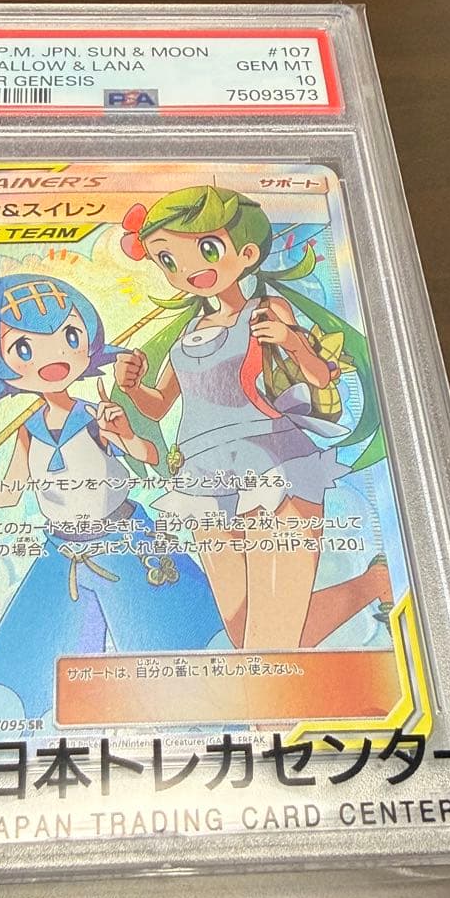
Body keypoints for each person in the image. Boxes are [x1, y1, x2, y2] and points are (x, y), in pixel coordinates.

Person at [0, 273, 226, 723]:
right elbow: (9, 495)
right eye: (24, 348)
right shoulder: (28, 433)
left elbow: (150, 456)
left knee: (181, 652)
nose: (53, 356)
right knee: (29, 669)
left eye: (69, 337)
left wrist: (122, 433)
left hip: (125, 542)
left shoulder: (97, 416)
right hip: (63, 553)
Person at [116, 186, 392, 650]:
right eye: (168, 259)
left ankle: (375, 583)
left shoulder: (265, 311)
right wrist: (131, 387)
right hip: (204, 479)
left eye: (207, 249)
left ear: (246, 254)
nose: (188, 269)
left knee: (271, 639)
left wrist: (291, 340)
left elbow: (321, 377)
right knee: (246, 636)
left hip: (272, 464)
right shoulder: (188, 333)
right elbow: (159, 405)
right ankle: (374, 584)